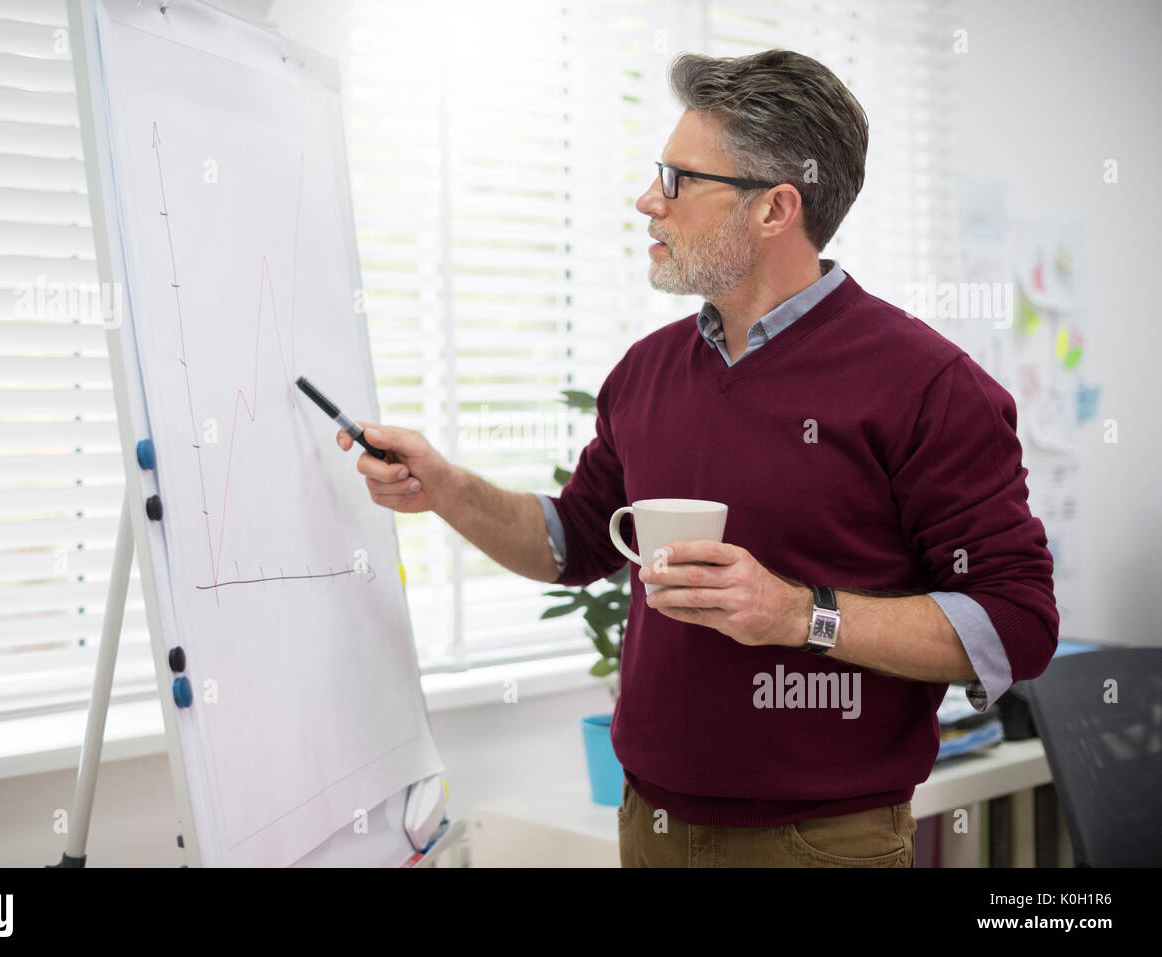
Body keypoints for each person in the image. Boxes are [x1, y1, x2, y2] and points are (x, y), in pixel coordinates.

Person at [335, 49, 1058, 868]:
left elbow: (1017, 623)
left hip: (824, 843)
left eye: (677, 179)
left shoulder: (927, 384)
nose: (649, 202)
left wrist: (798, 614)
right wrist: (446, 487)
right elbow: (576, 540)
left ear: (774, 210)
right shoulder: (646, 371)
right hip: (650, 824)